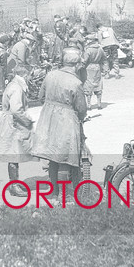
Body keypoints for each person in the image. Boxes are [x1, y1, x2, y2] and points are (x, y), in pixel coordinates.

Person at [29, 47, 89, 202]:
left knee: (53, 156)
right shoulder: (76, 82)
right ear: (76, 64)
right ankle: (64, 194)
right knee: (65, 157)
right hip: (67, 119)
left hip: (48, 118)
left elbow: (40, 96)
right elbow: (81, 108)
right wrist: (80, 116)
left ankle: (54, 192)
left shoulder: (50, 75)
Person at [0, 64, 35, 198]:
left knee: (15, 153)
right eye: (30, 75)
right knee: (13, 154)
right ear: (25, 75)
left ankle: (15, 183)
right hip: (12, 123)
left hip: (10, 121)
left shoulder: (14, 84)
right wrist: (27, 122)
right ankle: (14, 186)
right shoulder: (17, 88)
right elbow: (16, 109)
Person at [82, 34, 107, 110]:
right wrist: (105, 68)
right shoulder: (100, 49)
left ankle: (89, 105)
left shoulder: (88, 50)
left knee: (88, 86)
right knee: (98, 85)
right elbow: (104, 59)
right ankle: (99, 104)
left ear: (89, 40)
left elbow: (84, 60)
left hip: (88, 68)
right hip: (97, 67)